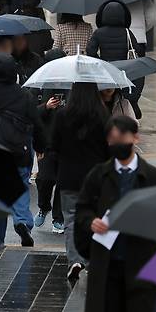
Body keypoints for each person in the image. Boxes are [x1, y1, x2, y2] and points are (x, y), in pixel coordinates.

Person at [75, 115, 156, 312]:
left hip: (141, 264)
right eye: (112, 139)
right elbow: (82, 208)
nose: (117, 143)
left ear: (135, 138)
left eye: (122, 137)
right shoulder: (98, 176)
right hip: (108, 264)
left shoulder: (152, 177)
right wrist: (91, 221)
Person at [0, 53, 46, 247]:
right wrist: (40, 146)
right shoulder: (25, 95)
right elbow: (37, 124)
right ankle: (22, 221)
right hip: (19, 151)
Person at [52, 82, 109, 282]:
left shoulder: (62, 116)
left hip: (69, 177)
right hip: (96, 179)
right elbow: (108, 150)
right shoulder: (103, 116)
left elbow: (55, 146)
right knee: (95, 220)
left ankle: (75, 261)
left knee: (70, 220)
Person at [86, 0, 146, 119]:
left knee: (107, 95)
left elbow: (90, 51)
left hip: (106, 71)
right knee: (123, 95)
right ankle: (128, 108)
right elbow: (138, 51)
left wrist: (100, 62)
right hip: (124, 72)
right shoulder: (127, 32)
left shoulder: (99, 33)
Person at [34, 49, 67, 234]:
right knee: (45, 179)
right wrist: (45, 107)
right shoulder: (39, 84)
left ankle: (58, 218)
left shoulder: (73, 84)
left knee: (62, 182)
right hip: (46, 143)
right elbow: (31, 113)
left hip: (66, 144)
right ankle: (43, 206)